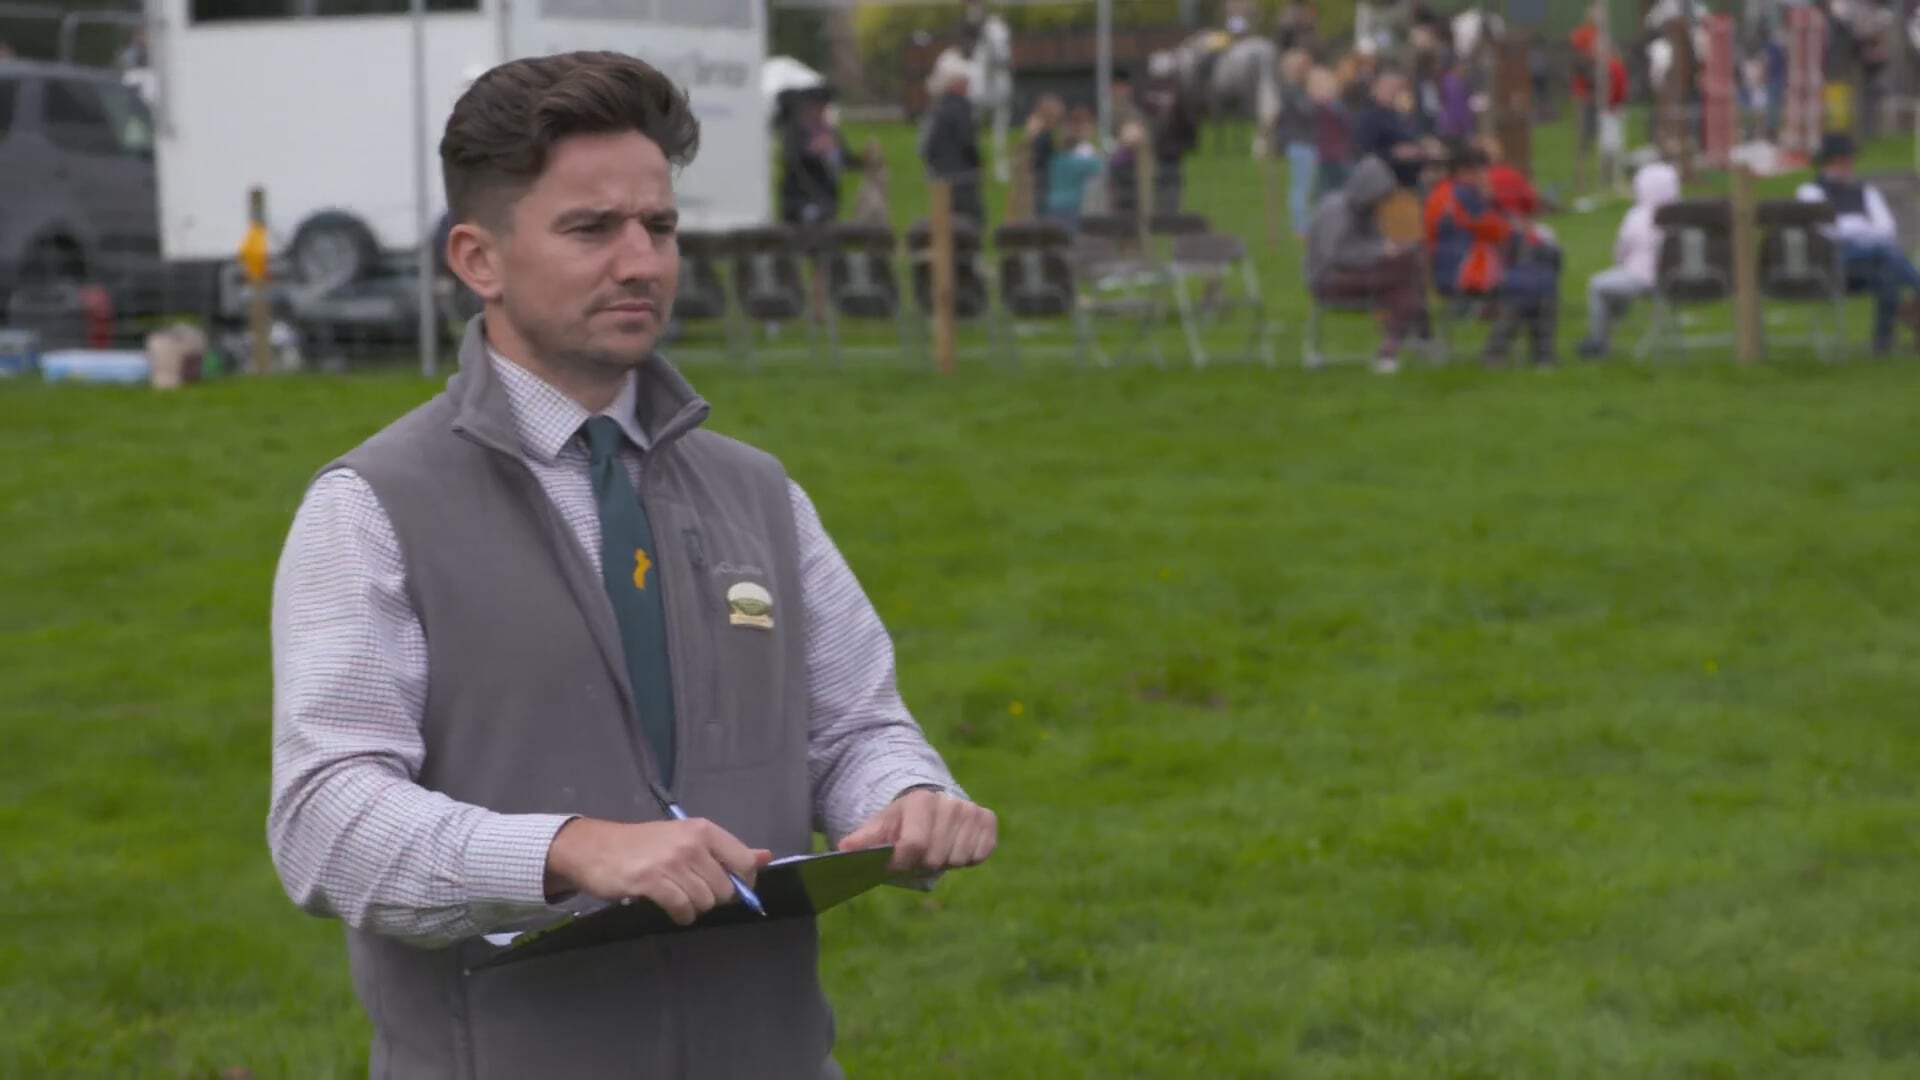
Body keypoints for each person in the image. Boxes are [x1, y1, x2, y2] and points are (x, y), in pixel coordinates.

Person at [267, 51, 998, 1077]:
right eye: (591, 229)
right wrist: (569, 851)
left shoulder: (760, 494)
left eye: (659, 226)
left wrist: (907, 794)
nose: (641, 262)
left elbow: (854, 728)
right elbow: (324, 822)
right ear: (478, 259)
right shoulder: (371, 510)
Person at [1797, 132, 1920, 354]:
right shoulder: (1811, 191)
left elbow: (1886, 228)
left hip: (1871, 261)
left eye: (1847, 160)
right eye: (1841, 160)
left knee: (1888, 272)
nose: (1847, 165)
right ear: (1829, 162)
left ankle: (1882, 346)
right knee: (1887, 254)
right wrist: (1862, 228)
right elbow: (1826, 230)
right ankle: (1909, 307)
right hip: (1834, 261)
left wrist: (1855, 230)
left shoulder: (1865, 191)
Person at [1306, 154, 1429, 374]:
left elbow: (1372, 243)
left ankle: (1389, 351)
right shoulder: (1336, 210)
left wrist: (1390, 247)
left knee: (1405, 285)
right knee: (1408, 271)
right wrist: (1382, 252)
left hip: (1363, 276)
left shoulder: (1366, 211)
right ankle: (1416, 337)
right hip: (1329, 280)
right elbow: (1335, 256)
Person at [1577, 161, 1679, 359]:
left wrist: (1622, 263)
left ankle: (1598, 342)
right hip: (1676, 280)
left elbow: (1621, 251)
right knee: (1616, 286)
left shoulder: (1637, 216)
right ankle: (1607, 332)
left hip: (1644, 279)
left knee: (1598, 285)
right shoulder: (1682, 214)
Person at [922, 48, 985, 225]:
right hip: (963, 180)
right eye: (965, 80)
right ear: (956, 83)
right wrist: (978, 162)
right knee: (972, 224)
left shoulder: (937, 109)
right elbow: (967, 140)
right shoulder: (962, 107)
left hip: (940, 180)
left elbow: (927, 147)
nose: (969, 84)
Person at [777, 90, 850, 230]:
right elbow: (792, 160)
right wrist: (813, 151)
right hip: (801, 198)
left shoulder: (830, 132)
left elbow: (845, 160)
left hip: (827, 198)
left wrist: (836, 152)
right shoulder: (795, 133)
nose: (820, 112)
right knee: (812, 222)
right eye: (817, 107)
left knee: (827, 224)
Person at [1274, 49, 1318, 237]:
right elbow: (1307, 112)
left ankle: (1304, 223)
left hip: (1302, 143)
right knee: (1301, 187)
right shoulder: (1292, 91)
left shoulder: (1295, 90)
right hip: (1301, 144)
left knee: (1303, 187)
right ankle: (1300, 226)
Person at [1043, 106, 1104, 224]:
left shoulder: (1055, 159)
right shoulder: (1078, 161)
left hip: (1053, 203)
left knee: (1055, 230)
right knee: (1070, 231)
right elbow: (1097, 167)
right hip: (1071, 204)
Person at [1308, 65, 1352, 198]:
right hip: (1323, 155)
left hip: (1337, 155)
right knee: (1326, 192)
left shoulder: (1335, 106)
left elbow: (1347, 125)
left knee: (1338, 191)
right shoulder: (1314, 107)